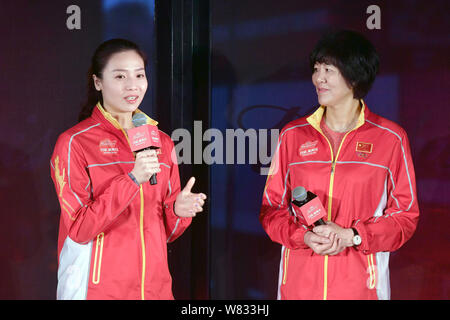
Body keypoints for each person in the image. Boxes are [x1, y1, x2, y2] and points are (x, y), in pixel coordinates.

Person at [260, 30, 419, 300]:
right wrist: (304, 237)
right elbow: (271, 210)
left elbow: (405, 217)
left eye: (328, 70)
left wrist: (352, 236)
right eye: (316, 69)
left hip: (361, 290)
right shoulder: (291, 135)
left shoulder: (391, 138)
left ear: (354, 76)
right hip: (299, 288)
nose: (318, 78)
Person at [50, 39, 207, 300]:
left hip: (155, 290)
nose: (132, 85)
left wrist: (179, 212)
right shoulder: (74, 143)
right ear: (98, 82)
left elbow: (165, 233)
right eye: (120, 76)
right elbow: (79, 229)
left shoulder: (162, 141)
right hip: (97, 290)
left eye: (139, 75)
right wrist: (132, 179)